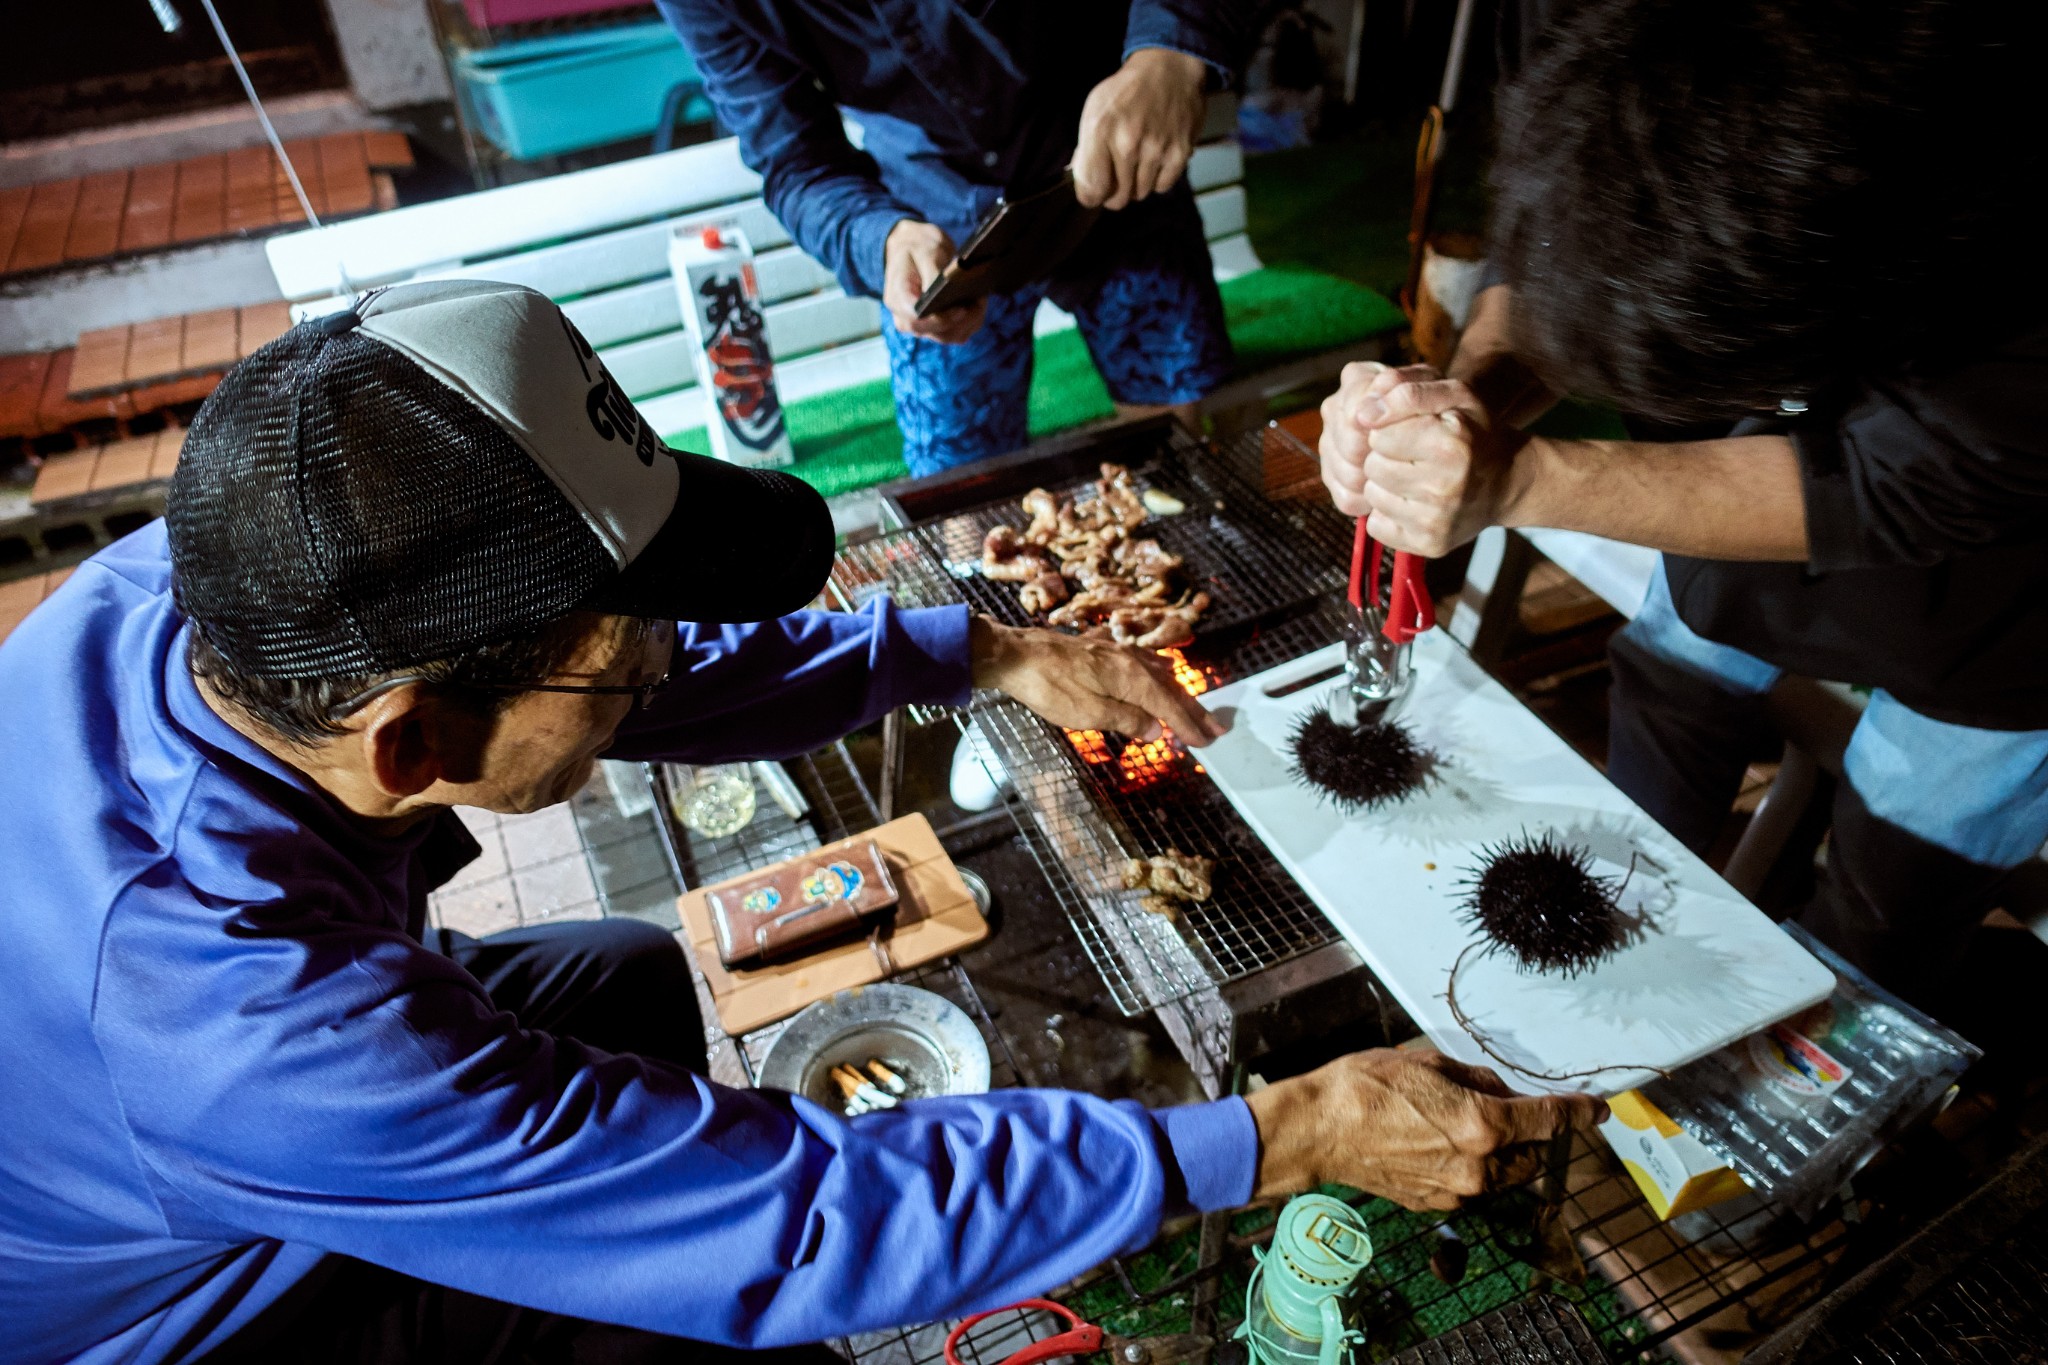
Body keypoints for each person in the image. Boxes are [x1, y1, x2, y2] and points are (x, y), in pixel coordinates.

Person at [0, 280, 1600, 1365]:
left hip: (148, 1109)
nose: (658, 678)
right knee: (694, 1247)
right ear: (414, 743)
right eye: (625, 670)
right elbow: (807, 1209)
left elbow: (621, 673)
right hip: (164, 1312)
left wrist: (986, 646)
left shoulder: (217, 586)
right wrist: (1276, 1136)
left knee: (624, 975)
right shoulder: (248, 1028)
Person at [1317, 0, 2047, 1008]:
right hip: (1778, 418)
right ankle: (1625, 953)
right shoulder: (1585, 26)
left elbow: (1894, 480)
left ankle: (1845, 1037)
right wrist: (1464, 407)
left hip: (2009, 603)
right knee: (1671, 686)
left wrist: (1520, 481)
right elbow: (1549, 226)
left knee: (1895, 892)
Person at [653, 0, 1246, 477]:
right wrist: (881, 239)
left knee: (1185, 460)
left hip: (1118, 167)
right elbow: (795, 161)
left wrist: (1168, 55)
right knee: (959, 498)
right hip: (935, 222)